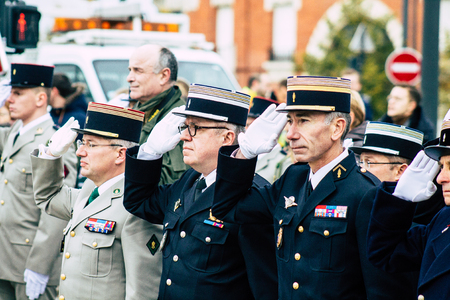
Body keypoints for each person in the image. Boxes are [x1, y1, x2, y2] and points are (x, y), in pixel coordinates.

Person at [211, 75, 417, 299]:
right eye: (290, 121)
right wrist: (244, 154)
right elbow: (226, 208)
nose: (290, 134)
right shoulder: (294, 179)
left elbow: (382, 289)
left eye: (304, 121)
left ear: (337, 128)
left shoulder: (365, 193)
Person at [123, 84, 277, 300]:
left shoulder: (252, 195)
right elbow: (139, 202)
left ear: (227, 138)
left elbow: (264, 286)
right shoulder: (191, 180)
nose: (185, 136)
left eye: (196, 127)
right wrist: (149, 152)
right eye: (185, 127)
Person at [30, 103, 163, 300]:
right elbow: (48, 197)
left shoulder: (136, 207)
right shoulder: (90, 192)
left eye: (91, 144)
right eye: (81, 143)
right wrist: (51, 155)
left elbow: (142, 290)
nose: (79, 152)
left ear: (120, 154)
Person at [0, 63, 78, 300]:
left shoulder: (54, 141)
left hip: (29, 261)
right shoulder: (15, 132)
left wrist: (39, 266)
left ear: (40, 98)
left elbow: (58, 209)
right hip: (5, 257)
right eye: (9, 92)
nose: (9, 99)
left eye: (18, 93)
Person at [366, 110, 450, 299]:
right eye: (442, 166)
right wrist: (400, 200)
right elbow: (385, 254)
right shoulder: (444, 219)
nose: (441, 178)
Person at [127, 44, 188, 184]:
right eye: (130, 70)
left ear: (164, 76)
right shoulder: (139, 110)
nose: (129, 78)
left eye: (138, 71)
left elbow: (170, 181)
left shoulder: (176, 119)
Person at [248, 96, 293, 183]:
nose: (248, 129)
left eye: (252, 125)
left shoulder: (284, 161)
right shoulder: (244, 154)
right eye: (246, 125)